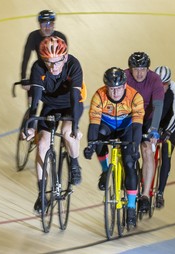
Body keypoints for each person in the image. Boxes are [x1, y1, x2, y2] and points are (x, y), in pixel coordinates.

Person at [23, 36, 84, 214]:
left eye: (57, 62)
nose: (53, 67)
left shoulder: (74, 64)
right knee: (42, 144)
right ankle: (42, 193)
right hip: (49, 106)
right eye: (49, 63)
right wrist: (31, 125)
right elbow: (35, 100)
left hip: (70, 105)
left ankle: (74, 164)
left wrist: (75, 126)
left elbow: (74, 96)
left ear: (65, 57)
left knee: (67, 132)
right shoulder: (38, 68)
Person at [83, 67, 144, 226]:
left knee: (129, 163)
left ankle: (131, 206)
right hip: (107, 126)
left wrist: (135, 147)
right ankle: (105, 170)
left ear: (124, 86)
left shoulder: (135, 97)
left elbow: (138, 126)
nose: (115, 93)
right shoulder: (99, 95)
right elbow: (94, 124)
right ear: (106, 87)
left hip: (127, 129)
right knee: (98, 139)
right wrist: (91, 144)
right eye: (111, 89)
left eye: (118, 89)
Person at [125, 52, 165, 212]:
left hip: (147, 118)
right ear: (130, 70)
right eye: (136, 69)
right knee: (126, 148)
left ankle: (145, 196)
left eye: (143, 69)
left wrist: (154, 129)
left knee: (147, 150)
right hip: (129, 116)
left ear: (148, 69)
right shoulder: (125, 77)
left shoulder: (155, 80)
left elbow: (158, 107)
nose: (139, 73)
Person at [20, 10, 67, 102]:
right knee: (32, 99)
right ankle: (31, 111)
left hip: (56, 72)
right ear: (39, 25)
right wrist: (24, 78)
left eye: (50, 24)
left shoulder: (60, 37)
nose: (47, 27)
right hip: (40, 71)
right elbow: (26, 58)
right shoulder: (33, 36)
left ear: (54, 24)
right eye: (44, 24)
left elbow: (64, 61)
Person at [154, 66, 175, 208]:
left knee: (166, 151)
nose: (161, 87)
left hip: (170, 122)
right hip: (155, 121)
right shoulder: (151, 85)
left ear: (169, 82)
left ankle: (160, 193)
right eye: (159, 84)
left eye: (164, 84)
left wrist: (168, 132)